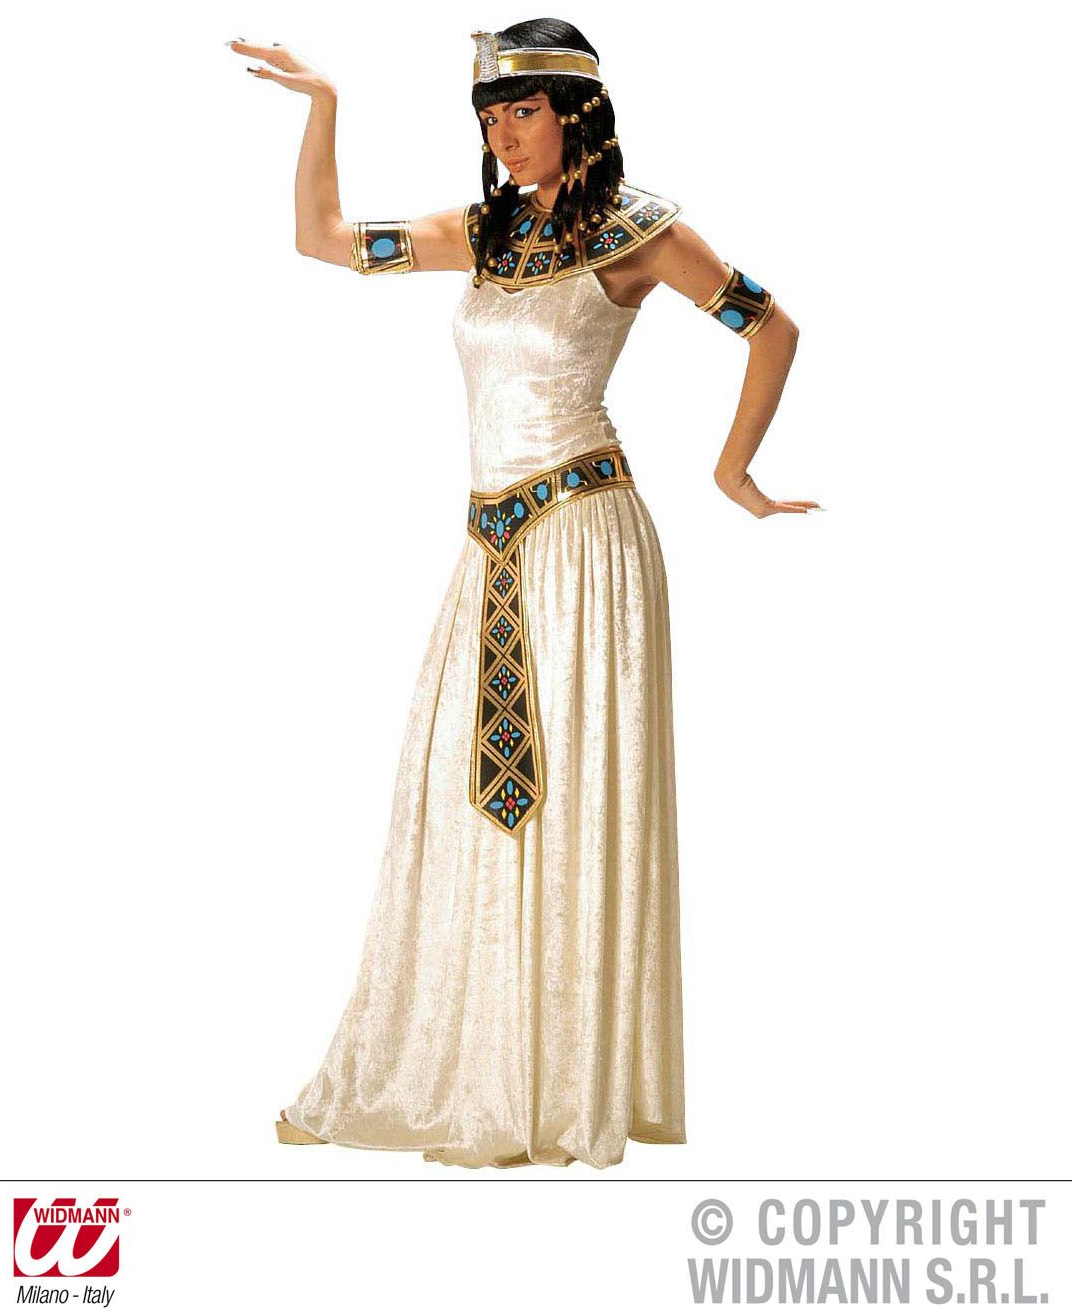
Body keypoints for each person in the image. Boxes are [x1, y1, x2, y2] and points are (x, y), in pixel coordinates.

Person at [228, 18, 814, 1170]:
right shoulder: (483, 236)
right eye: (491, 116)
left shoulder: (638, 234)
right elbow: (321, 240)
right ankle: (485, 1068)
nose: (504, 133)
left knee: (572, 796)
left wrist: (732, 471)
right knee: (466, 792)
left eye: (524, 111)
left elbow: (771, 327)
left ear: (575, 113)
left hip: (587, 545)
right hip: (489, 549)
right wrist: (326, 106)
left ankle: (557, 1086)